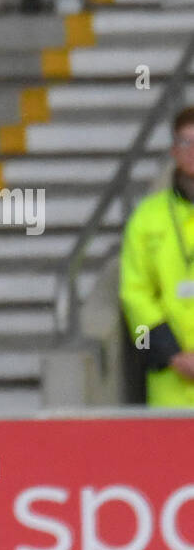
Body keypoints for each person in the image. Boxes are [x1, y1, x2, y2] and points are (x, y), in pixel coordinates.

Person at [119, 106, 194, 408]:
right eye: (186, 143)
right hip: (172, 384)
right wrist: (172, 354)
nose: (192, 152)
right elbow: (134, 293)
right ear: (174, 151)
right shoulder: (148, 217)